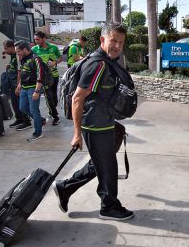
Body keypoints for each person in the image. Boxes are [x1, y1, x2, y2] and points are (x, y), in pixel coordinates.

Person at [52, 22, 134, 221]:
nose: (117, 46)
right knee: (108, 168)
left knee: (101, 162)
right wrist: (76, 134)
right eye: (113, 40)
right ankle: (109, 206)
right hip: (95, 126)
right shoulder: (98, 65)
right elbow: (77, 98)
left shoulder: (105, 61)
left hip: (104, 122)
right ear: (102, 39)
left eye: (121, 42)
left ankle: (65, 187)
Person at [15, 41, 46, 141]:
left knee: (34, 110)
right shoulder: (22, 58)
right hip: (24, 87)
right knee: (23, 108)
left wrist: (37, 91)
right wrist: (19, 85)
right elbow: (23, 72)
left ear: (25, 49)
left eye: (18, 51)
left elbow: (40, 76)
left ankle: (38, 132)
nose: (17, 53)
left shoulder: (36, 58)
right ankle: (40, 120)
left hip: (33, 87)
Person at [32, 31, 62, 125]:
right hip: (44, 78)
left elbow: (60, 58)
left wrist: (55, 62)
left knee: (53, 96)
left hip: (54, 75)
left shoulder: (53, 48)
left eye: (38, 39)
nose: (36, 41)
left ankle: (52, 110)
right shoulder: (34, 49)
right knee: (49, 97)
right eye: (35, 39)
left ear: (44, 38)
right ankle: (55, 116)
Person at [2, 40, 31, 130]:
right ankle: (19, 119)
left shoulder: (19, 56)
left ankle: (26, 121)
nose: (5, 51)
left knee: (20, 103)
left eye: (6, 49)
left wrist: (18, 85)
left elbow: (19, 72)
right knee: (14, 102)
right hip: (11, 82)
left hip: (16, 83)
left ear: (12, 48)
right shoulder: (13, 56)